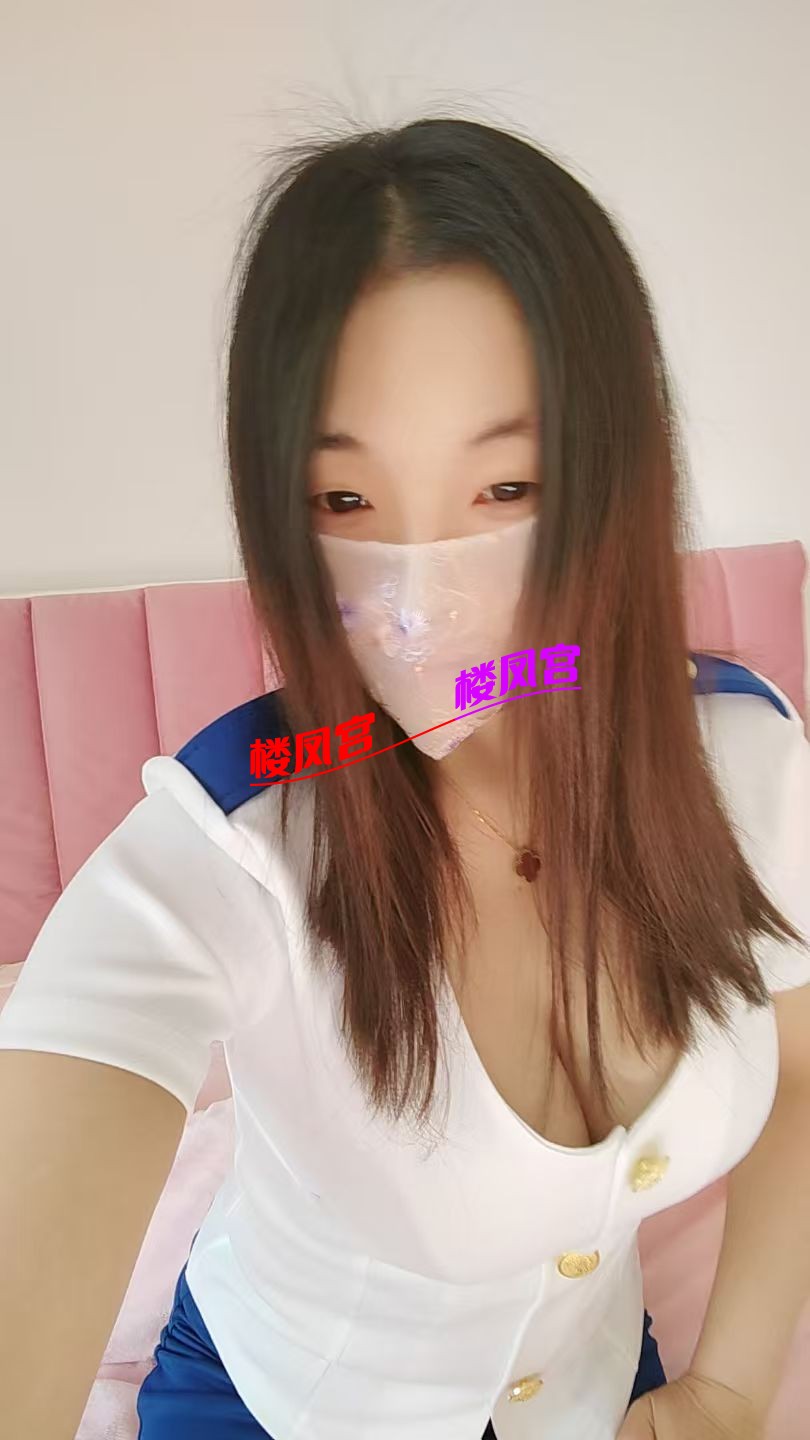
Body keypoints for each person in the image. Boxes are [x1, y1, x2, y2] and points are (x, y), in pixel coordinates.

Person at [1, 117, 809, 1440]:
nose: (425, 610)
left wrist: (725, 1386)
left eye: (509, 486)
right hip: (276, 1396)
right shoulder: (231, 845)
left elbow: (799, 1065)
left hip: (601, 1386)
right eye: (345, 505)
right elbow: (74, 1066)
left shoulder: (744, 753)